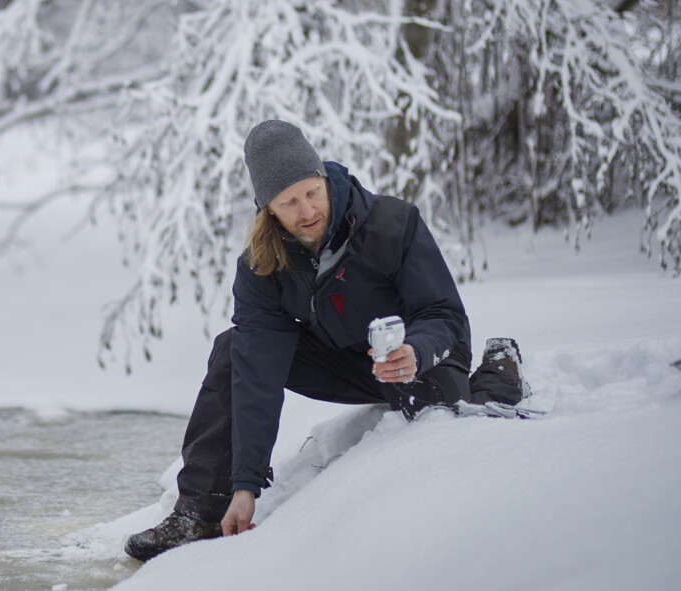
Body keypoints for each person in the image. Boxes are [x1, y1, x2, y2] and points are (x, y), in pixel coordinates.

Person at [124, 120, 528, 563]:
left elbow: (443, 314)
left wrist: (415, 349)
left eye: (312, 192)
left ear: (324, 178)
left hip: (419, 353)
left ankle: (501, 363)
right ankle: (198, 512)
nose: (307, 211)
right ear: (268, 209)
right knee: (233, 349)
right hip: (342, 361)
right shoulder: (262, 265)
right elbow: (258, 370)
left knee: (452, 412)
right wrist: (245, 485)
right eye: (289, 202)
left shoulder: (394, 224)